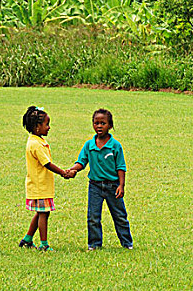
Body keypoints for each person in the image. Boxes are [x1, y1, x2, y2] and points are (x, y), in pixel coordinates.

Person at [68, 108, 133, 251]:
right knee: (93, 217)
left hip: (113, 186)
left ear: (110, 126)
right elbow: (81, 162)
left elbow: (121, 167)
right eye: (96, 123)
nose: (99, 126)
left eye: (103, 123)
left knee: (120, 216)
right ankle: (94, 244)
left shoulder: (115, 146)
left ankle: (127, 243)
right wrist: (72, 169)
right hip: (95, 186)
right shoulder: (89, 145)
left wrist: (121, 185)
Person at [19, 106, 72, 251]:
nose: (49, 127)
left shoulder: (36, 141)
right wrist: (63, 172)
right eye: (46, 124)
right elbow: (47, 164)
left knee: (42, 212)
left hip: (40, 185)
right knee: (43, 214)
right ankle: (44, 244)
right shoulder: (36, 144)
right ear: (37, 127)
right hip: (39, 186)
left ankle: (27, 239)